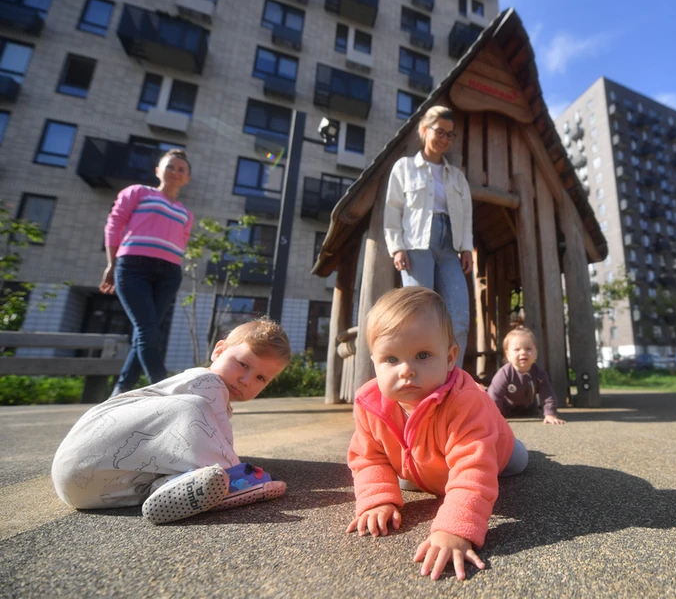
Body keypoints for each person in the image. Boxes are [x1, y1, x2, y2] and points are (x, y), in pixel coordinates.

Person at [347, 287, 527, 581]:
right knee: (403, 482)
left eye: (422, 355)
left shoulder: (464, 403)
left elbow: (474, 467)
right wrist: (378, 498)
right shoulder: (369, 404)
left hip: (494, 447)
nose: (406, 370)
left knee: (518, 463)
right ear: (374, 363)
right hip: (427, 462)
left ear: (449, 358)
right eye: (391, 359)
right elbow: (368, 457)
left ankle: (517, 445)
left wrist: (455, 528)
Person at [51, 318, 291, 525]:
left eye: (261, 377)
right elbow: (213, 435)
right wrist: (234, 467)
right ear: (218, 351)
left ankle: (169, 487)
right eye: (243, 364)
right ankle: (232, 479)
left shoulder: (216, 400)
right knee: (192, 408)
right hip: (86, 456)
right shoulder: (206, 381)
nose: (246, 380)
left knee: (186, 451)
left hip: (98, 489)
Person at [384, 106, 473, 369]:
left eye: (450, 135)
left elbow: (467, 215)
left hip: (449, 249)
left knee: (458, 316)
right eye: (440, 132)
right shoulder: (405, 167)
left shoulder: (457, 176)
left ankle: (452, 381)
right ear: (424, 130)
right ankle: (418, 380)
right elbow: (392, 208)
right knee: (417, 315)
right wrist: (396, 247)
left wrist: (467, 248)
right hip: (416, 247)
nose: (445, 139)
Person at [100, 149, 194, 398]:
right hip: (133, 267)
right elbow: (115, 224)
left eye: (181, 169)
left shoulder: (186, 213)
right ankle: (164, 389)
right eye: (170, 166)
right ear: (158, 171)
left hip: (169, 273)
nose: (175, 172)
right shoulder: (137, 192)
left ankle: (121, 391)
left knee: (147, 331)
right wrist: (112, 263)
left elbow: (181, 243)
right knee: (148, 330)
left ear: (187, 178)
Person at [488, 327, 566, 425]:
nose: (523, 352)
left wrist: (550, 414)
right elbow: (494, 395)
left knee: (533, 410)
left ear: (536, 353)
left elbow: (548, 395)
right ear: (508, 355)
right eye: (517, 349)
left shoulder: (539, 374)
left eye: (528, 349)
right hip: (505, 408)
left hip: (529, 409)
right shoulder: (504, 373)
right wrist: (494, 416)